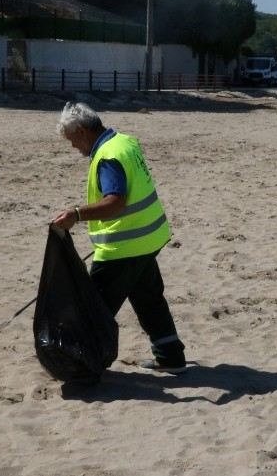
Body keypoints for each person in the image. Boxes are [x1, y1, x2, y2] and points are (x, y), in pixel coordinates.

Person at [52, 102, 187, 374]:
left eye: (72, 140)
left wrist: (76, 214)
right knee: (149, 299)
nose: (74, 148)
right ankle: (171, 357)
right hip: (150, 238)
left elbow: (116, 203)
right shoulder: (124, 141)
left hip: (123, 248)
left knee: (94, 309)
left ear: (81, 131)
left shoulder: (108, 156)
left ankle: (82, 366)